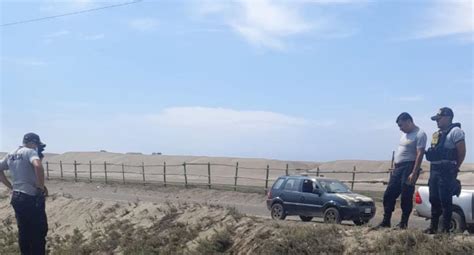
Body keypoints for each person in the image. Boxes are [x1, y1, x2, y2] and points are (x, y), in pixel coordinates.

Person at [373, 112, 427, 229]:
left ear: (408, 121)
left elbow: (420, 154)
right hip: (398, 168)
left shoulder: (420, 134)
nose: (400, 129)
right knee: (389, 194)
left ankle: (403, 223)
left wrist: (414, 171)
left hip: (410, 167)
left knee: (406, 195)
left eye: (401, 125)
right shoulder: (404, 135)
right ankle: (386, 221)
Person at [0, 133, 48, 254]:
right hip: (31, 197)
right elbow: (38, 166)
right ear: (33, 142)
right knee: (38, 232)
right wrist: (40, 188)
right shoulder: (30, 151)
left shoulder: (11, 153)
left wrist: (10, 186)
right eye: (37, 145)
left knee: (24, 232)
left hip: (17, 196)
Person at [424, 107, 466, 234]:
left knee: (445, 200)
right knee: (433, 198)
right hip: (434, 170)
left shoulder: (456, 131)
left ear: (448, 118)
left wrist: (455, 167)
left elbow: (462, 152)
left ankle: (445, 229)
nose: (437, 121)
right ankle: (433, 227)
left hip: (446, 171)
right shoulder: (437, 133)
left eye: (439, 118)